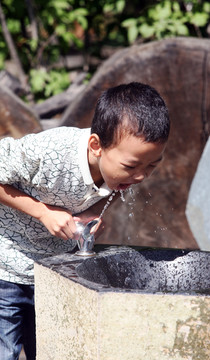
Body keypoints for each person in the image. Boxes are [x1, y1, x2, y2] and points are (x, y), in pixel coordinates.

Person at [0, 81, 170, 359]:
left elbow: (116, 187)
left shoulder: (124, 164)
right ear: (96, 145)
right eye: (132, 166)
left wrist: (93, 211)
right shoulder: (47, 153)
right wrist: (42, 212)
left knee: (49, 352)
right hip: (7, 270)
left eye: (152, 165)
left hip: (54, 273)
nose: (141, 176)